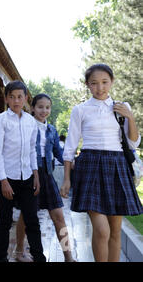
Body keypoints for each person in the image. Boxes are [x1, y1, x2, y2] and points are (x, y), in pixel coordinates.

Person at [60, 64, 142, 262]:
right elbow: (70, 147)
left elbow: (133, 142)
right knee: (102, 231)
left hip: (116, 166)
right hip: (89, 167)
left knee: (115, 231)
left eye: (105, 82)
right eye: (94, 83)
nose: (100, 87)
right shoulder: (80, 110)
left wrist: (129, 117)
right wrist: (66, 180)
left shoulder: (122, 107)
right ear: (87, 85)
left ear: (112, 82)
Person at [14, 93, 75, 262]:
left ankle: (68, 256)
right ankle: (20, 252)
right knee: (26, 217)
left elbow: (58, 152)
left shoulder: (52, 130)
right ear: (32, 108)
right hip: (29, 175)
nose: (44, 110)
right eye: (40, 107)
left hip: (47, 176)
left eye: (47, 107)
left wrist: (70, 161)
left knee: (59, 217)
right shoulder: (24, 126)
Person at [0, 80, 46, 263]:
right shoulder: (1, 119)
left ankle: (39, 258)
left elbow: (32, 150)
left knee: (32, 220)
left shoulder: (31, 121)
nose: (16, 101)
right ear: (6, 98)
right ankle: (1, 258)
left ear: (25, 99)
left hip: (27, 177)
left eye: (20, 97)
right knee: (5, 221)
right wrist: (3, 181)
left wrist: (36, 175)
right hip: (7, 178)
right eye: (12, 97)